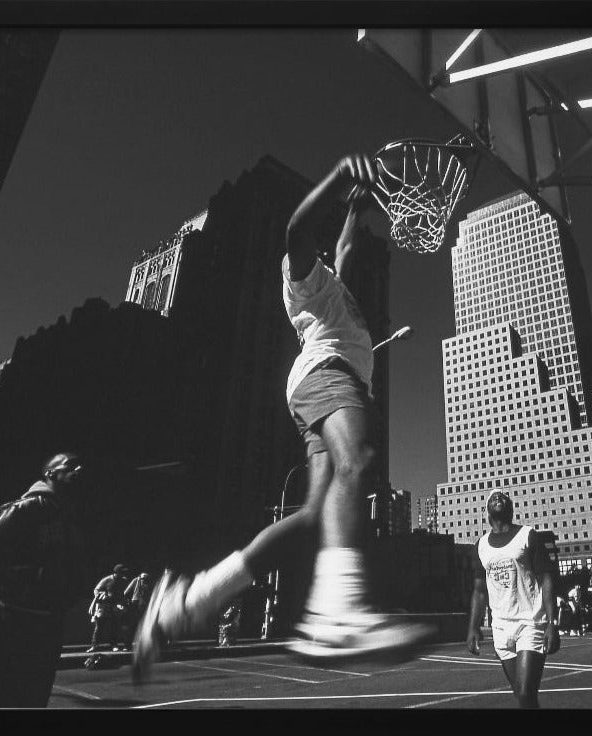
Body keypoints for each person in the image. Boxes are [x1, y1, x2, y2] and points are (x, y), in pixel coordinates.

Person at [132, 153, 432, 682]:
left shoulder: (335, 289)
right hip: (327, 375)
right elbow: (296, 229)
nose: (326, 257)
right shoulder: (305, 283)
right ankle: (337, 612)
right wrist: (339, 177)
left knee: (315, 515)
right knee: (357, 460)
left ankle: (187, 601)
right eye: (316, 255)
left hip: (329, 382)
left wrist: (354, 212)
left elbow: (345, 250)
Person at [0, 453, 89, 708]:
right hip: (13, 626)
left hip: (49, 628)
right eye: (70, 465)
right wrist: (31, 579)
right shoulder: (22, 509)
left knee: (33, 700)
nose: (79, 469)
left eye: (81, 466)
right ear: (50, 473)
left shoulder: (70, 520)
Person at [466, 492, 559, 709]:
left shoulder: (527, 535)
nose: (498, 497)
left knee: (526, 693)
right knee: (522, 695)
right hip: (501, 626)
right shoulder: (481, 545)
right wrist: (473, 627)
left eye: (503, 497)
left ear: (511, 507)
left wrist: (552, 623)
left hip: (530, 622)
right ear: (487, 511)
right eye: (493, 497)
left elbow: (546, 580)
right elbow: (479, 591)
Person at [88, 564, 131, 652]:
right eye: (121, 572)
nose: (123, 574)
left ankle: (114, 645)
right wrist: (101, 595)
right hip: (104, 606)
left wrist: (123, 602)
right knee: (99, 627)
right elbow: (96, 589)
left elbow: (124, 592)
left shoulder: (123, 580)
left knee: (115, 626)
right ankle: (94, 645)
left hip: (116, 606)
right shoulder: (107, 580)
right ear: (116, 572)